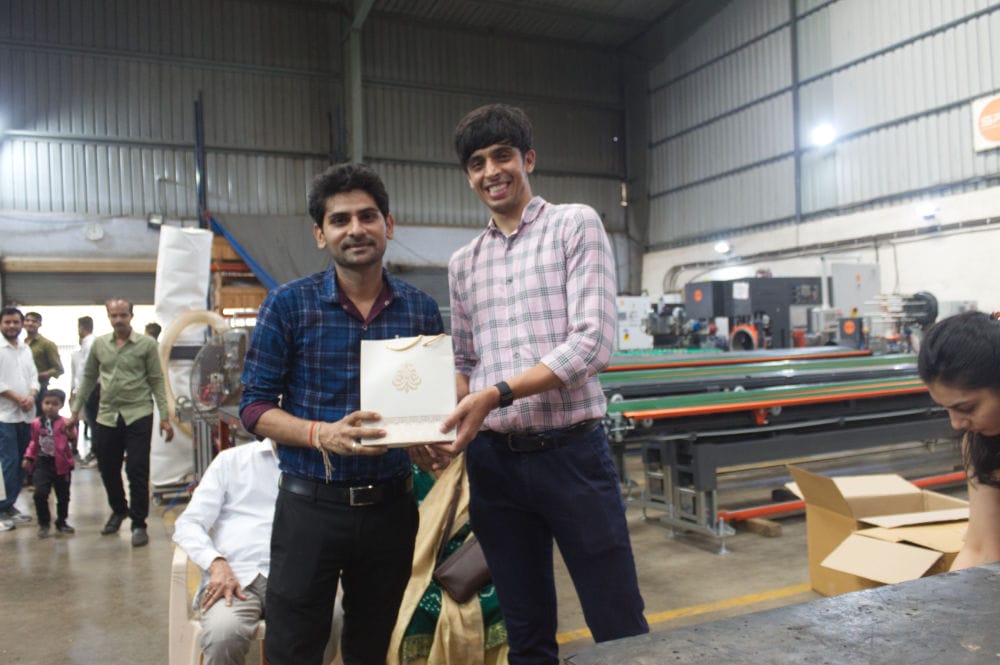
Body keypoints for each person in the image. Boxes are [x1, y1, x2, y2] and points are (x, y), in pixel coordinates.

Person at [436, 104, 648, 663]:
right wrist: (446, 418)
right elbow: (462, 359)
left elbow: (591, 343)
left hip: (572, 456)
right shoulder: (463, 263)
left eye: (502, 155)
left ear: (528, 159)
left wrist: (496, 393)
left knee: (616, 616)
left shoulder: (573, 225)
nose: (490, 172)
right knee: (525, 628)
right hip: (495, 467)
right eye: (476, 163)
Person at [239, 162, 445, 665]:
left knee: (374, 645)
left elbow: (427, 407)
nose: (356, 229)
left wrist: (425, 442)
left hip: (391, 511)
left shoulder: (420, 309)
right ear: (320, 234)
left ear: (388, 225)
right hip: (310, 509)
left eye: (368, 216)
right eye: (340, 220)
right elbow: (253, 407)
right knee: (294, 646)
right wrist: (319, 433)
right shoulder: (287, 306)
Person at [172, 438, 342, 665]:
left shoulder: (322, 465)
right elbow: (189, 523)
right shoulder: (231, 461)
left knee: (331, 618)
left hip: (298, 576)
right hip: (236, 577)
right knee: (223, 633)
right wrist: (216, 563)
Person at [67, 298, 175, 547]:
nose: (118, 320)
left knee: (137, 469)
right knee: (107, 468)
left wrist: (165, 417)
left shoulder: (146, 345)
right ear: (108, 317)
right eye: (113, 316)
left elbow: (157, 380)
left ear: (131, 316)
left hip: (138, 413)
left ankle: (139, 523)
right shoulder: (100, 345)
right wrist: (74, 413)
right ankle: (119, 509)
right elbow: (88, 378)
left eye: (123, 315)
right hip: (107, 415)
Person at [388, 458, 508, 665]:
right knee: (414, 613)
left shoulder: (480, 463)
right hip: (416, 569)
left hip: (478, 570)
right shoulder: (405, 472)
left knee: (505, 605)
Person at [918, 310, 1000, 570]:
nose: (956, 423)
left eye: (967, 408)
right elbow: (981, 548)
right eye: (947, 409)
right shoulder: (980, 443)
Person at [0, 306, 39, 530]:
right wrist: (17, 398)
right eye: (7, 322)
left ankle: (10, 504)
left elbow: (34, 376)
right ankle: (2, 507)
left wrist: (32, 395)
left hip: (26, 415)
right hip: (5, 416)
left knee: (25, 462)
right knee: (9, 462)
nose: (12, 326)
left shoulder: (25, 348)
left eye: (16, 322)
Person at [21, 388, 76, 538]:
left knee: (63, 495)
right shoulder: (37, 424)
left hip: (62, 464)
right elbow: (34, 442)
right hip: (43, 463)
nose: (50, 407)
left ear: (61, 406)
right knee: (40, 494)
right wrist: (28, 457)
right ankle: (44, 523)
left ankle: (61, 521)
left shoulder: (65, 423)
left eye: (55, 404)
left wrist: (70, 432)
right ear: (41, 404)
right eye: (47, 403)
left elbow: (72, 438)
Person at [70, 315, 99, 463]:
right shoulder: (87, 344)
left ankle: (96, 454)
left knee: (94, 423)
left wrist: (80, 391)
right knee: (91, 422)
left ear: (81, 328)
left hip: (91, 390)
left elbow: (87, 371)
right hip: (89, 389)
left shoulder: (90, 343)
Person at [23, 312, 64, 414]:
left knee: (37, 422)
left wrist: (37, 375)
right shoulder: (21, 344)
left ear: (40, 324)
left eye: (34, 321)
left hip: (40, 389)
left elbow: (58, 369)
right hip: (22, 388)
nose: (30, 323)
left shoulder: (47, 344)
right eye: (27, 320)